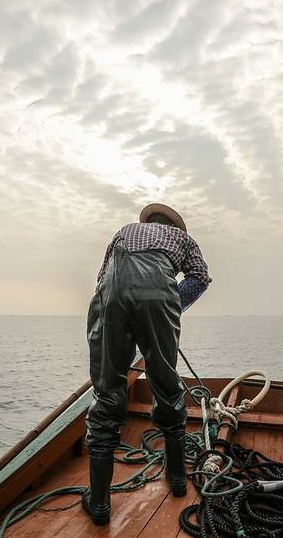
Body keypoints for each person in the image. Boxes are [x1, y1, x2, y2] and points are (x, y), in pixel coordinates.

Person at [82, 203, 212, 525]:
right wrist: (171, 305)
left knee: (107, 389)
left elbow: (102, 278)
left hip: (110, 296)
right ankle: (178, 478)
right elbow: (200, 277)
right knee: (166, 382)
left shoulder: (124, 231)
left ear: (148, 221)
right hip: (158, 298)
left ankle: (99, 503)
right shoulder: (183, 239)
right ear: (174, 227)